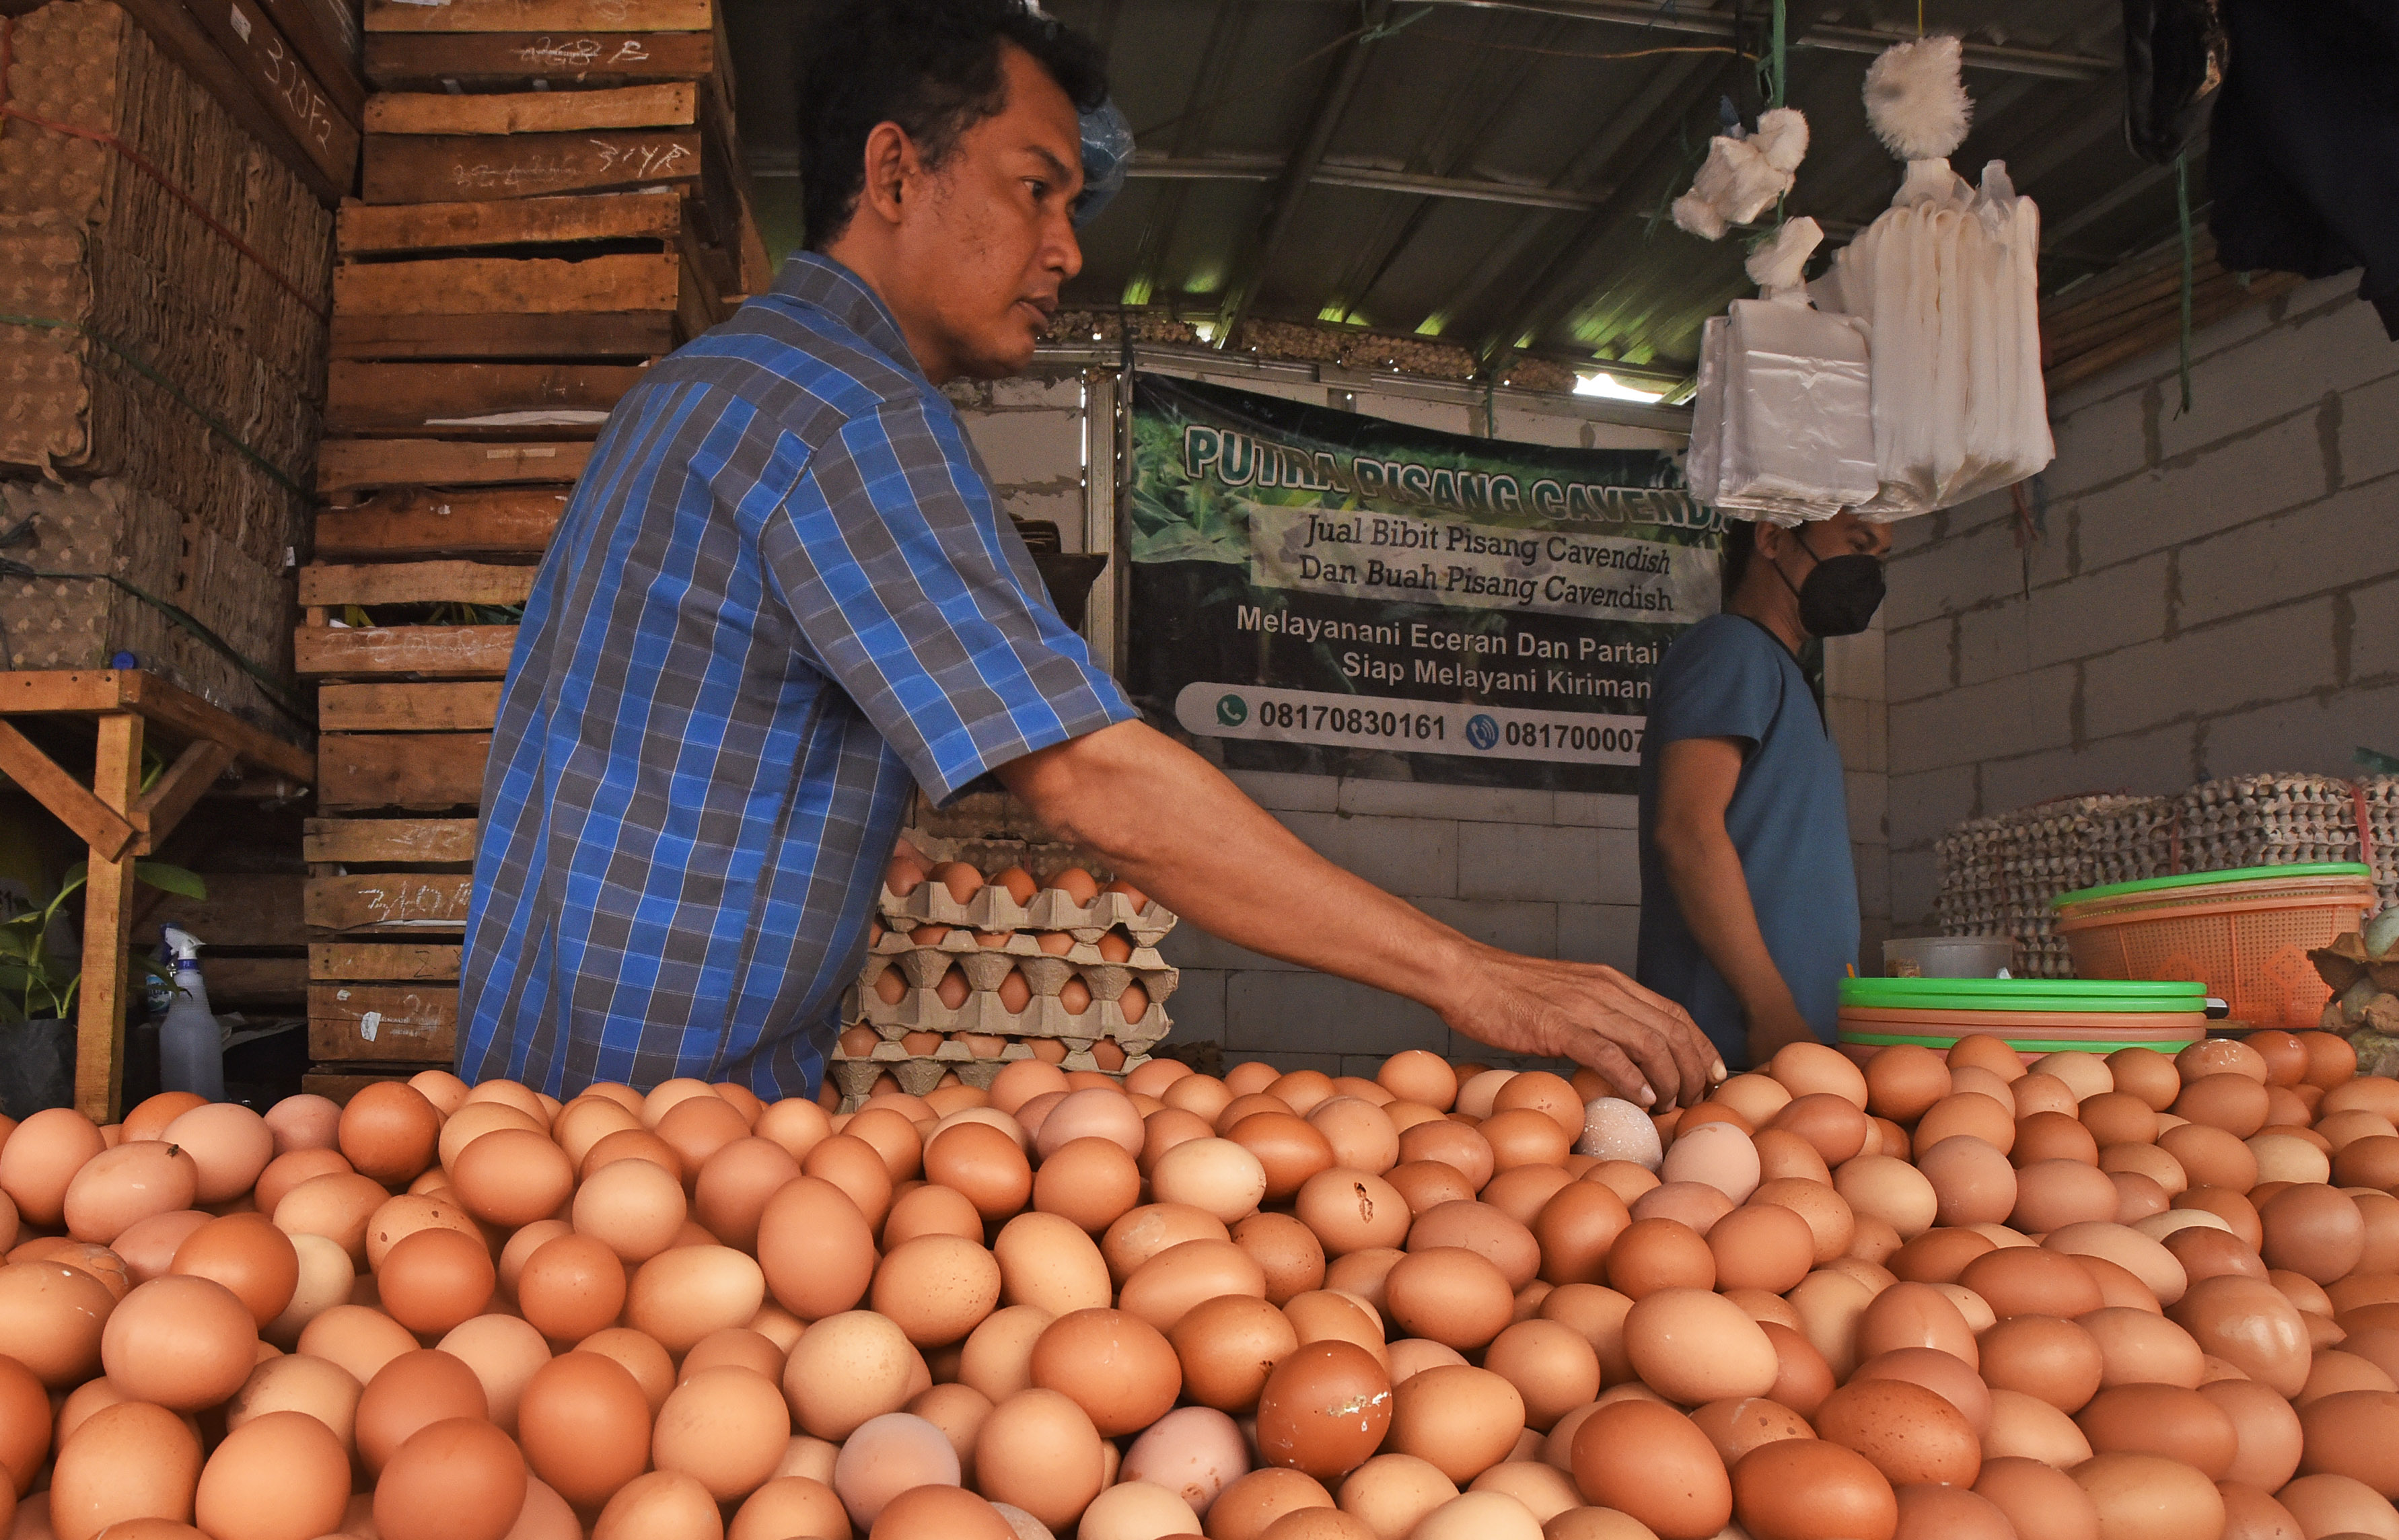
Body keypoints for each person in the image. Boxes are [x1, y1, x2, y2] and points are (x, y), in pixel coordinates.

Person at [458, 0, 1720, 1109]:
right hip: (647, 1117)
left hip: (561, 1076)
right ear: (895, 173)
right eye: (1035, 188)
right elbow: (1094, 784)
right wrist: (1475, 975)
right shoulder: (851, 413)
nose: (1068, 246)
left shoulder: (711, 381)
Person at [1636, 511, 1892, 1070]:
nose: (1868, 570)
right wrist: (1770, 1008)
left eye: (1879, 556)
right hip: (1734, 1046)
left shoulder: (1786, 677)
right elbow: (1686, 832)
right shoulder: (1731, 648)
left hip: (1789, 1047)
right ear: (1773, 538)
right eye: (1858, 544)